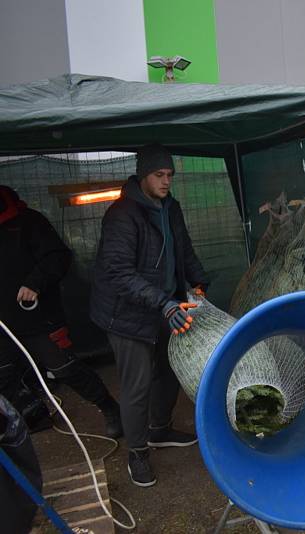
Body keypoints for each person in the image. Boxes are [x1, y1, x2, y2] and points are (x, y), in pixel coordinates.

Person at [90, 144, 209, 487]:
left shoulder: (171, 208)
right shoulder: (122, 214)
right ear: (143, 175)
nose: (166, 181)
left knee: (170, 368)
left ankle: (160, 429)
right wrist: (165, 303)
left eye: (170, 175)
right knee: (136, 385)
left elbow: (183, 249)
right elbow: (119, 273)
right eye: (159, 175)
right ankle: (137, 453)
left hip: (162, 306)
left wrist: (198, 280)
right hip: (126, 314)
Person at [0, 185, 122, 438]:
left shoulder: (29, 222)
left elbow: (59, 257)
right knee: (5, 374)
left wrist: (35, 282)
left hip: (37, 318)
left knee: (65, 368)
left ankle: (109, 407)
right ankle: (33, 414)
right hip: (3, 324)